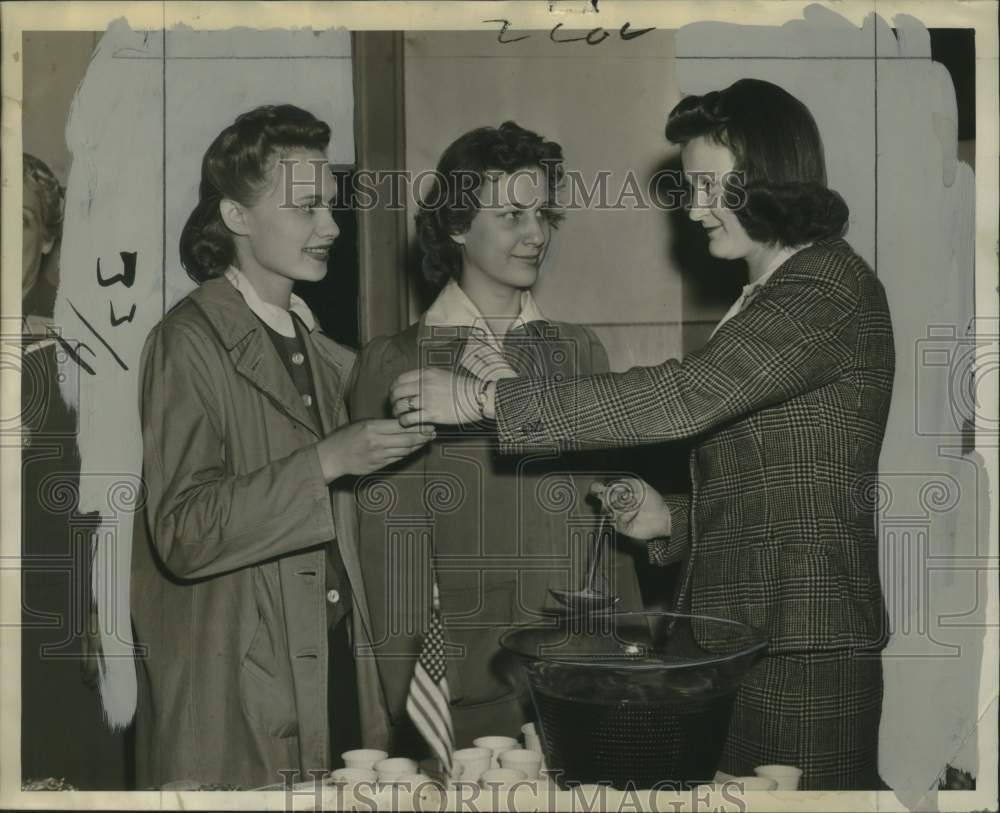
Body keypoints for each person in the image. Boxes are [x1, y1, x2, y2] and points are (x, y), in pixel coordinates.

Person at [389, 79, 895, 790]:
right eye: (690, 187)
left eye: (710, 186)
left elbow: (685, 396)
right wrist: (669, 518)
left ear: (769, 175)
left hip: (800, 648)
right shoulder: (769, 295)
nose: (693, 209)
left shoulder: (824, 288)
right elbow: (773, 488)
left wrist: (483, 397)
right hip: (743, 640)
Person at [130, 105, 433, 789]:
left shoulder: (322, 350)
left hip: (329, 668)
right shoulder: (187, 342)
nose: (330, 227)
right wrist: (327, 460)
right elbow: (183, 530)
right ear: (237, 216)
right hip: (239, 686)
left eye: (330, 206)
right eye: (305, 208)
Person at [349, 121, 644, 752]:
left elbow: (614, 525)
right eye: (511, 215)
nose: (536, 235)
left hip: (583, 675)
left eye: (543, 214)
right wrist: (413, 712)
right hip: (468, 692)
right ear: (457, 226)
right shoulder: (396, 362)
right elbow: (392, 561)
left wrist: (627, 660)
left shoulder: (579, 350)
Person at [20, 153, 131, 789]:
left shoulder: (78, 348)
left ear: (48, 238)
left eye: (22, 220)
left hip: (57, 619)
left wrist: (101, 609)